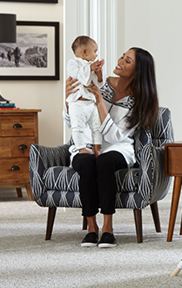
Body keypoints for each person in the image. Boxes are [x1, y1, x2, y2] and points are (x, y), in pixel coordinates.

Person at [63, 47, 159, 248]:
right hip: (86, 145)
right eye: (122, 57)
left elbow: (115, 136)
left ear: (138, 71)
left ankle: (108, 228)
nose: (120, 61)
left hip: (119, 149)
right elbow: (73, 122)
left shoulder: (140, 100)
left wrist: (99, 101)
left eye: (128, 61)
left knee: (104, 161)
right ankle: (91, 228)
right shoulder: (98, 81)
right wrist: (68, 101)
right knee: (87, 162)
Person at [67, 36, 104, 160]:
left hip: (91, 104)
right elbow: (79, 76)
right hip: (78, 104)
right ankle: (81, 147)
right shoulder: (73, 63)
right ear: (84, 52)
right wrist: (90, 68)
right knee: (77, 127)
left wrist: (98, 73)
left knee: (97, 127)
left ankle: (97, 148)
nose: (96, 54)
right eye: (95, 51)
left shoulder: (90, 65)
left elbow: (97, 84)